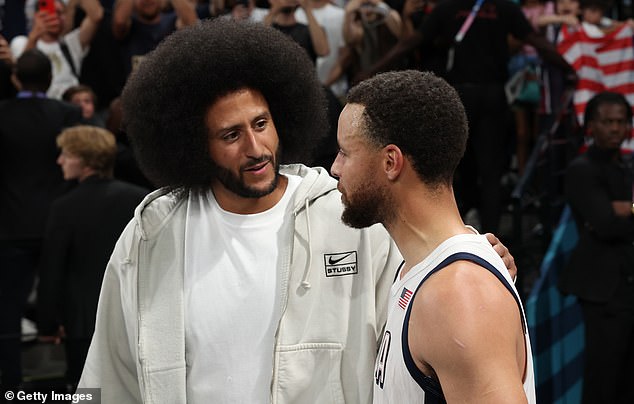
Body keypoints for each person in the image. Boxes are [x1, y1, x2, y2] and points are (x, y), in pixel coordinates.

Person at [78, 19, 516, 403]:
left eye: (261, 124)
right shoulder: (151, 235)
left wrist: (476, 256)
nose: (256, 148)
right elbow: (107, 378)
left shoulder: (349, 215)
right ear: (193, 145)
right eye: (231, 135)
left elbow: (435, 278)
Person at [330, 70, 535, 402]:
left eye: (344, 152)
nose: (334, 168)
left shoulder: (457, 294)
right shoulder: (424, 269)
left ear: (390, 162)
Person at [358, 0, 576, 233]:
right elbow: (538, 42)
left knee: (453, 166)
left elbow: (411, 43)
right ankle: (492, 240)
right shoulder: (504, 8)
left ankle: (453, 232)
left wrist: (371, 72)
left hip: (458, 97)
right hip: (493, 96)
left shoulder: (447, 8)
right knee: (491, 171)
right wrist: (569, 69)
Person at [37, 125, 148, 391]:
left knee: (88, 394)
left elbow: (52, 271)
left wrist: (47, 324)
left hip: (83, 323)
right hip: (135, 314)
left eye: (66, 154)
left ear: (85, 158)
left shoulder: (64, 207)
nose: (59, 160)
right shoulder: (139, 199)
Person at [0, 48, 82, 392]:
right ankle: (79, 388)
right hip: (58, 225)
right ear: (50, 80)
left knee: (6, 312)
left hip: (10, 228)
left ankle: (12, 386)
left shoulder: (1, 113)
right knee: (74, 307)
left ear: (16, 78)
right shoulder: (68, 113)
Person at [558, 91, 634, 404]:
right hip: (603, 291)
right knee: (603, 378)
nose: (615, 128)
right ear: (591, 125)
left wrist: (625, 207)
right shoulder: (581, 169)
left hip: (628, 285)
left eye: (621, 122)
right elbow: (605, 224)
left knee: (628, 380)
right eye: (607, 122)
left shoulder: (626, 167)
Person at [9, 0, 104, 99]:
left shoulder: (71, 43)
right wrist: (35, 34)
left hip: (69, 108)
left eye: (59, 13)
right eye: (50, 12)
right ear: (36, 15)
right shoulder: (21, 42)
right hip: (40, 107)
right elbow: (19, 80)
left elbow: (96, 16)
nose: (55, 16)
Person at [112, 0, 198, 78]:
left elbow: (192, 24)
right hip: (137, 93)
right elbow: (120, 21)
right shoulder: (128, 27)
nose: (148, 1)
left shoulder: (172, 22)